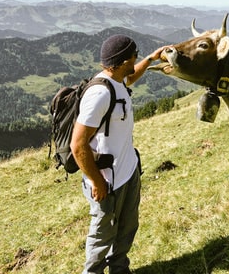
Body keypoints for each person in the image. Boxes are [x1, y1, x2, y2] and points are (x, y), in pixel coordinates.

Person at [70, 34, 167, 274]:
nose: (136, 57)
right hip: (107, 181)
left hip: (127, 170)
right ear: (124, 61)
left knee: (127, 227)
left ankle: (119, 269)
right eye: (135, 54)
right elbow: (78, 145)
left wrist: (151, 58)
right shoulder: (100, 94)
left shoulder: (119, 80)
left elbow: (131, 78)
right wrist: (97, 181)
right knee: (102, 234)